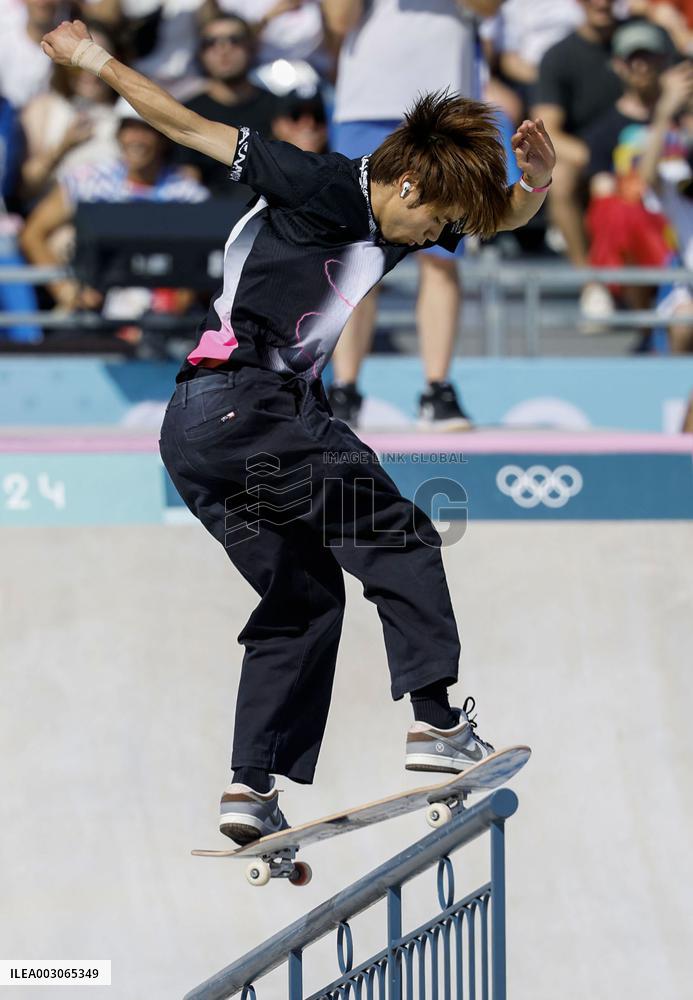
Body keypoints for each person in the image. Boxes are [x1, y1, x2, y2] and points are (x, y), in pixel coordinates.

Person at [40, 18, 555, 842]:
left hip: (197, 432)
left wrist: (536, 186)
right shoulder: (315, 180)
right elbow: (181, 124)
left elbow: (499, 224)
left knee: (302, 595)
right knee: (398, 534)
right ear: (410, 188)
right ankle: (434, 723)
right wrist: (91, 58)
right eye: (435, 226)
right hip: (256, 404)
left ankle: (249, 788)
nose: (436, 243)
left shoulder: (394, 222)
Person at [324, 0, 506, 430]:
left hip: (449, 108)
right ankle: (344, 390)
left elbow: (489, 7)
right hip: (365, 105)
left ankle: (437, 390)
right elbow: (338, 19)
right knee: (357, 254)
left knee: (442, 254)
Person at [20, 97, 208, 312]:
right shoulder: (86, 180)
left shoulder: (188, 193)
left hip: (165, 321)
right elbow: (33, 233)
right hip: (96, 316)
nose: (137, 139)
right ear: (118, 134)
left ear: (163, 137)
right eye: (129, 128)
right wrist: (66, 291)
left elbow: (203, 261)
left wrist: (180, 300)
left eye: (146, 129)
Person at [580, 20, 681, 320]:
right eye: (633, 58)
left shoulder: (685, 118)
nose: (642, 66)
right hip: (638, 226)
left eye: (649, 57)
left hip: (678, 218)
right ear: (619, 65)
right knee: (616, 209)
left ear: (663, 61)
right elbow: (603, 189)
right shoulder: (603, 130)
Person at [533, 0, 623, 268]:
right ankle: (588, 280)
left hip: (643, 154)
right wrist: (600, 160)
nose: (601, 2)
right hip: (587, 162)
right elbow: (546, 130)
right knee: (558, 180)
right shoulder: (559, 56)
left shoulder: (642, 43)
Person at [173, 13, 280, 195]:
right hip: (205, 215)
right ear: (200, 53)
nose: (223, 49)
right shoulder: (186, 112)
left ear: (252, 47)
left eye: (234, 40)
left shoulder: (278, 109)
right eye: (211, 42)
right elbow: (186, 182)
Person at [20, 22, 121, 202]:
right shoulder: (43, 109)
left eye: (99, 61)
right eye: (79, 62)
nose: (88, 72)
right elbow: (26, 188)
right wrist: (64, 146)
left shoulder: (126, 114)